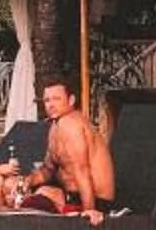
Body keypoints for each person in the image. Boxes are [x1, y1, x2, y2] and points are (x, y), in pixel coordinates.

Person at [33, 80, 115, 218]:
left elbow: (82, 170)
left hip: (94, 201)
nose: (51, 105)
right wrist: (25, 182)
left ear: (71, 100)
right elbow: (47, 170)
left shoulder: (71, 124)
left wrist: (89, 211)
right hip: (70, 195)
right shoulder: (55, 126)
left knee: (37, 199)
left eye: (56, 99)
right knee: (14, 189)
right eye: (47, 100)